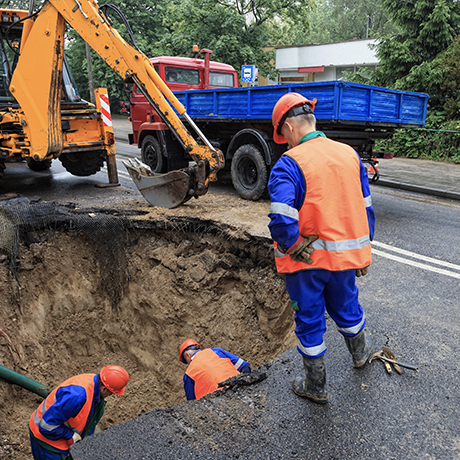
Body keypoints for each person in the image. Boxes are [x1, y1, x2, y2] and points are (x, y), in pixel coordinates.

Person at [268, 92, 375, 404]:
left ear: (288, 127)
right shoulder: (349, 155)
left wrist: (294, 243)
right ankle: (360, 354)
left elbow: (281, 215)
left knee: (310, 319)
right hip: (343, 260)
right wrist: (363, 252)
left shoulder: (290, 163)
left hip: (306, 264)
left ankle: (316, 386)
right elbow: (365, 206)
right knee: (346, 306)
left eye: (282, 136)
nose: (284, 143)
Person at [29, 365, 129, 460]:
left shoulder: (95, 385)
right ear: (104, 388)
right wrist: (70, 435)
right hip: (46, 440)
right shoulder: (76, 397)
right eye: (111, 393)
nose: (110, 395)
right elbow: (46, 425)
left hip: (59, 432)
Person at [179, 339, 251, 401]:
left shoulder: (189, 373)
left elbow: (191, 404)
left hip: (216, 404)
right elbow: (244, 365)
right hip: (239, 390)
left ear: (188, 355)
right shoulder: (216, 351)